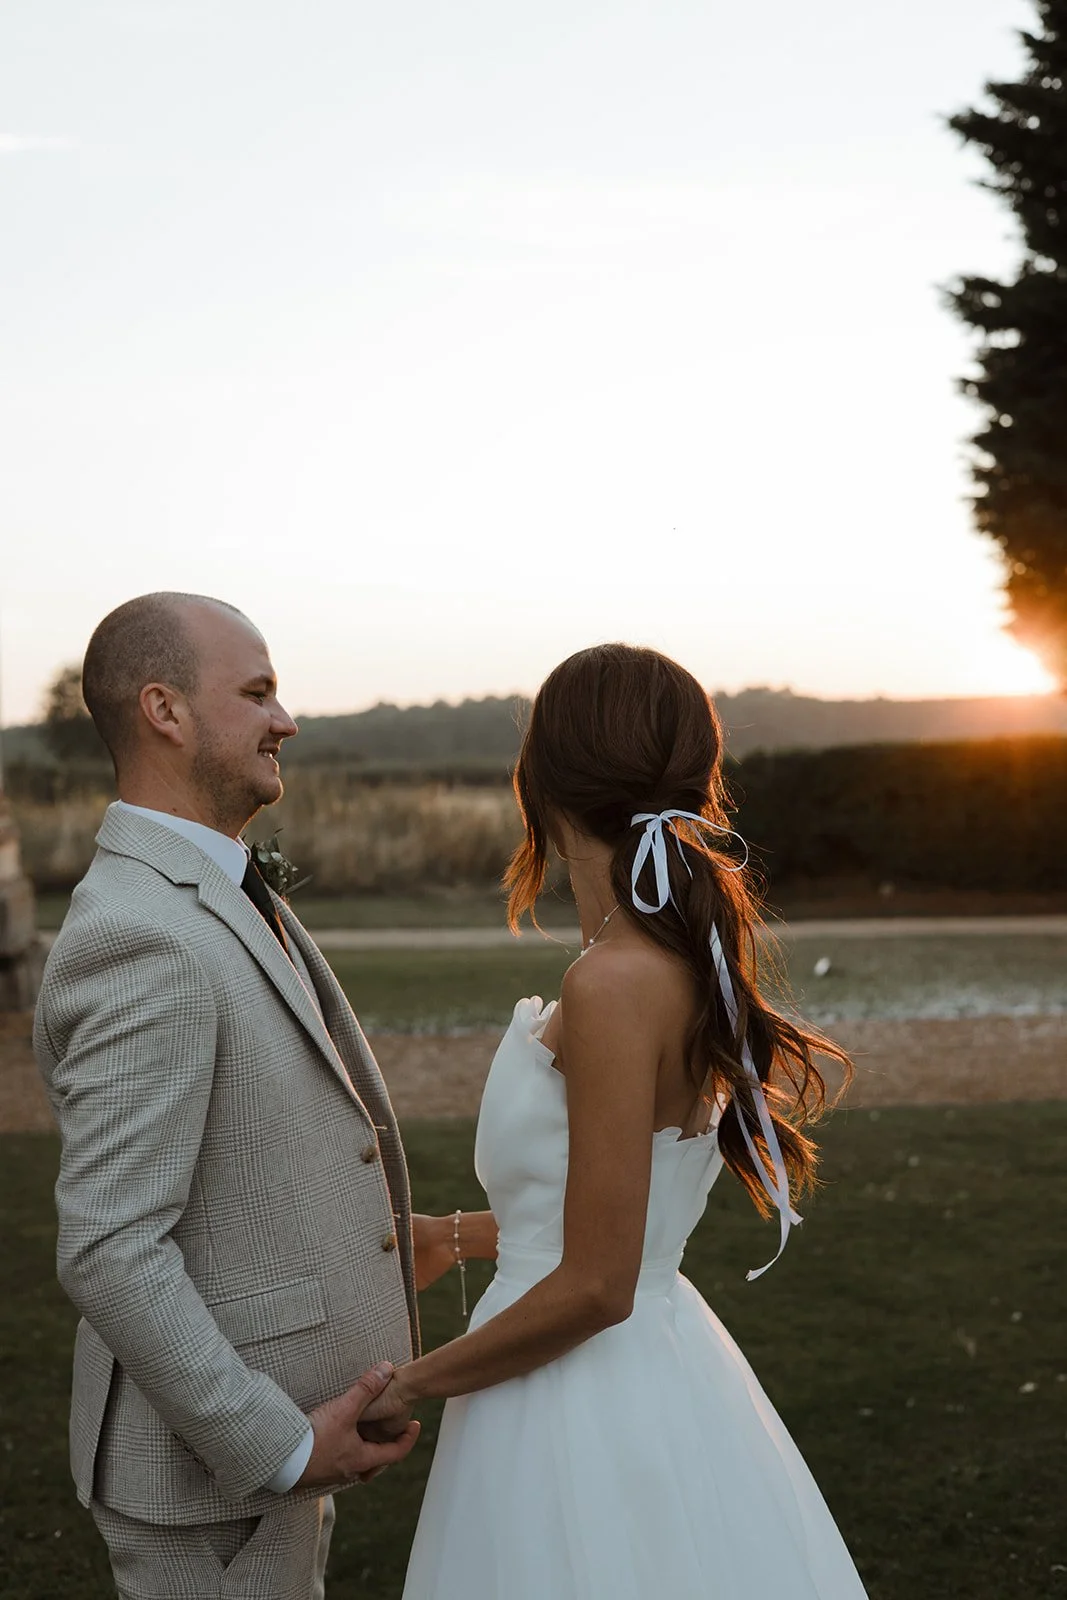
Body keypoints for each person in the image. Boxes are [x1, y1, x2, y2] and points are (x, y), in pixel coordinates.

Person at [364, 642, 870, 1599]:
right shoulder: (673, 959)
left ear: (540, 785)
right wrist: (458, 1238)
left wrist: (410, 1385)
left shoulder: (610, 981)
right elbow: (614, 1222)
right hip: (660, 1369)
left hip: (569, 1396)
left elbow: (598, 1285)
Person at [33, 592, 493, 1600]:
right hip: (211, 1491)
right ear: (165, 710)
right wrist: (275, 1446)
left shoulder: (208, 890)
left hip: (257, 1476)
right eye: (257, 691)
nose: (285, 719)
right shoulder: (141, 934)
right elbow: (109, 1246)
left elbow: (252, 1161)